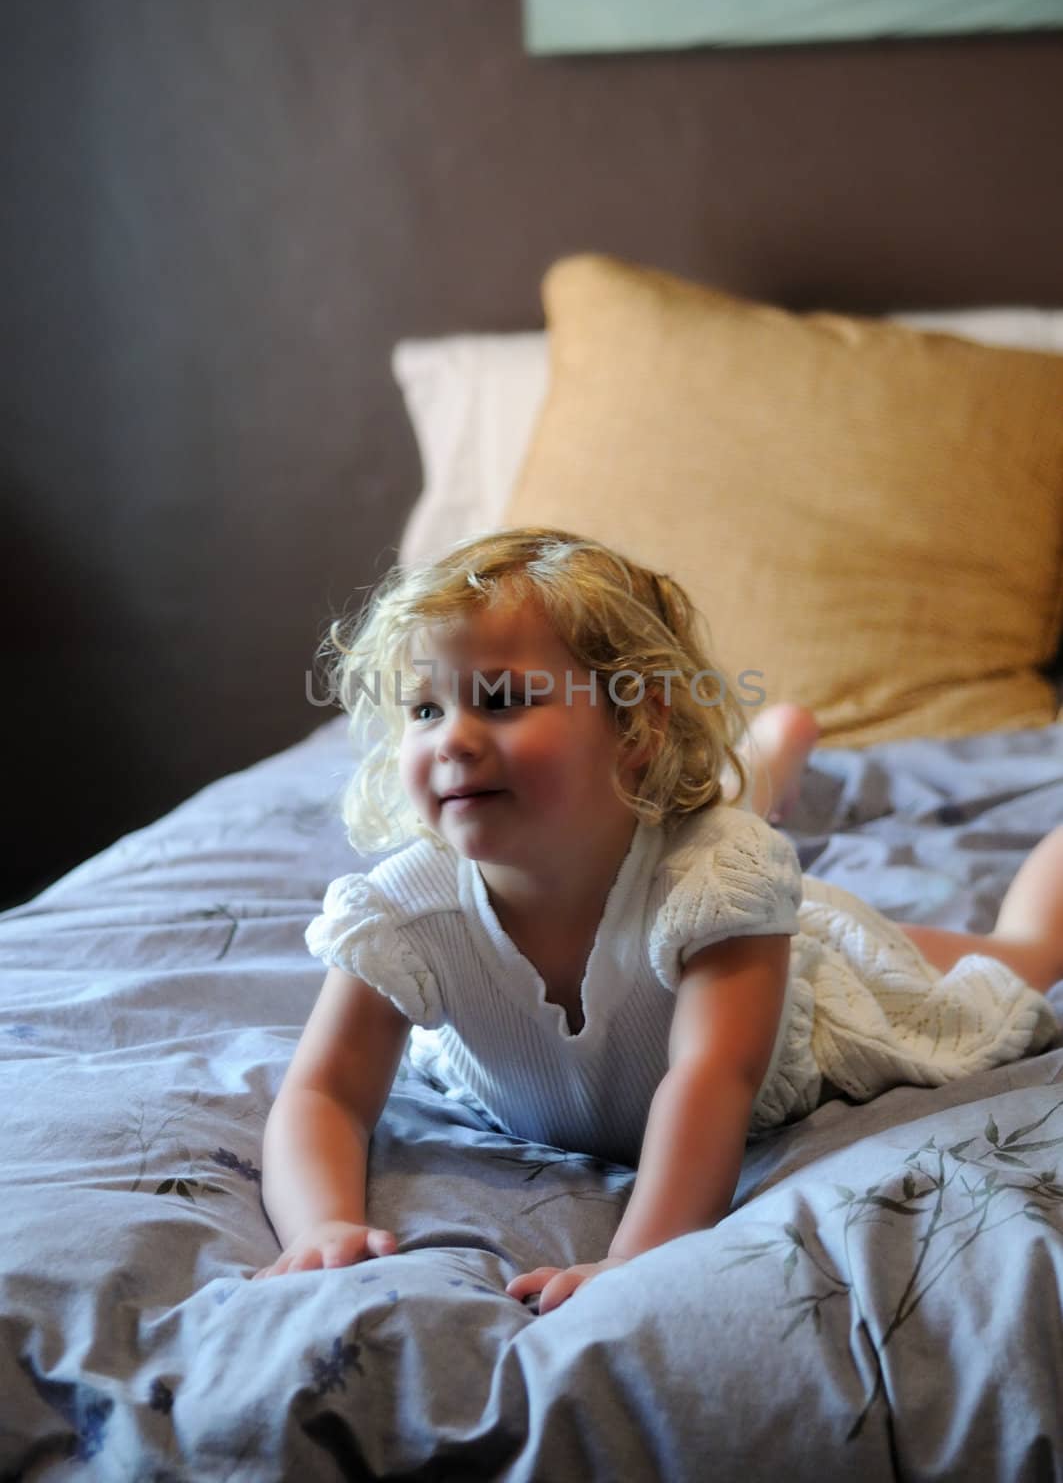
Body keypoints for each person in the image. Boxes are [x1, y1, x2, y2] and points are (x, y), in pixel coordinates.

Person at [253, 528, 1063, 1314]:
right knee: (702, 835)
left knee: (1010, 956)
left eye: (499, 700)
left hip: (781, 969)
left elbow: (711, 1075)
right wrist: (320, 1223)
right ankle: (766, 751)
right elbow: (324, 1090)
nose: (453, 738)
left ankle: (768, 758)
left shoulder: (717, 880)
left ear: (635, 724)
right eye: (424, 710)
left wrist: (636, 1256)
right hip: (666, 878)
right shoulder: (406, 908)